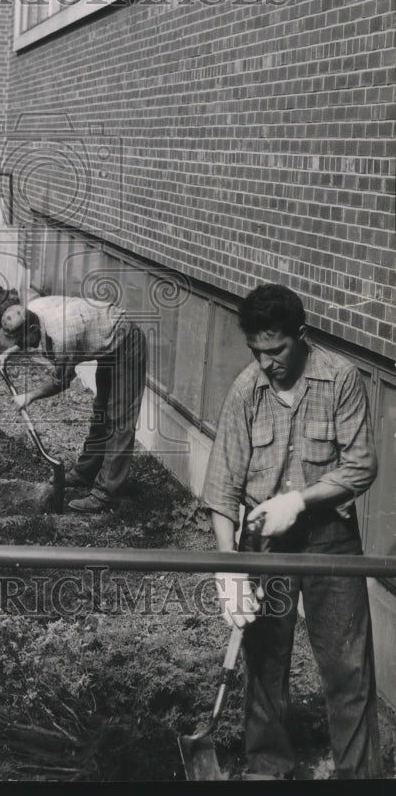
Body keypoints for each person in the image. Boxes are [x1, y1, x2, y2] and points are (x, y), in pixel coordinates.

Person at [202, 283, 380, 780]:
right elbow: (221, 488)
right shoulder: (246, 390)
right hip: (263, 544)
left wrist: (299, 500)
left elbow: (362, 465)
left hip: (330, 540)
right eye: (257, 351)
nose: (266, 363)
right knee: (264, 660)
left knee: (348, 665)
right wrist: (230, 569)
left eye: (276, 350)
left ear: (300, 337)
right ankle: (266, 765)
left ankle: (359, 774)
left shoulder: (341, 378)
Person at [0, 296, 146, 513]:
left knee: (119, 421)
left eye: (23, 340)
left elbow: (61, 382)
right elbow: (25, 337)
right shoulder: (32, 310)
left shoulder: (63, 336)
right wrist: (6, 353)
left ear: (33, 328)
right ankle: (85, 473)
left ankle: (104, 494)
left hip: (126, 343)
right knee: (101, 413)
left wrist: (29, 396)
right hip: (108, 338)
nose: (23, 347)